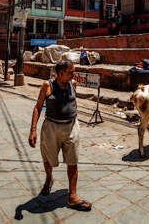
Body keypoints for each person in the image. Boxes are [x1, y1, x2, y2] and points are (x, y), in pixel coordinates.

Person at [28, 59, 91, 211]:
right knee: (49, 159)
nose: (73, 74)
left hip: (71, 127)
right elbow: (37, 107)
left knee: (73, 161)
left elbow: (73, 101)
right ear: (60, 73)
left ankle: (73, 196)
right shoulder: (47, 85)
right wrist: (33, 130)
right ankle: (49, 179)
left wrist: (73, 115)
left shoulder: (73, 84)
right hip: (51, 128)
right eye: (71, 72)